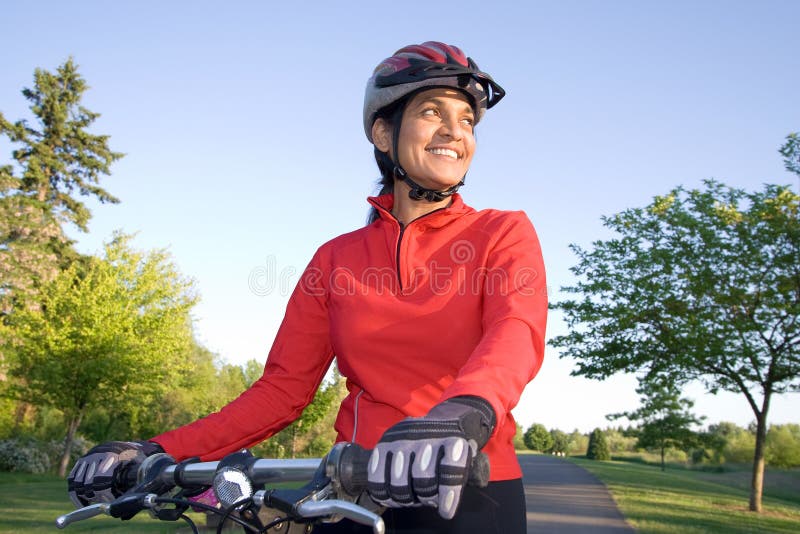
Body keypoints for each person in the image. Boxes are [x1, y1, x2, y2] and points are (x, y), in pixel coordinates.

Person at [67, 41, 547, 533]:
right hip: (353, 489)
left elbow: (515, 333)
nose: (454, 131)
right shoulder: (335, 259)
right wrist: (157, 450)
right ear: (384, 133)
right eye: (432, 112)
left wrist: (460, 415)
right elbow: (280, 391)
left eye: (466, 120)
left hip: (469, 488)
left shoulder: (502, 232)